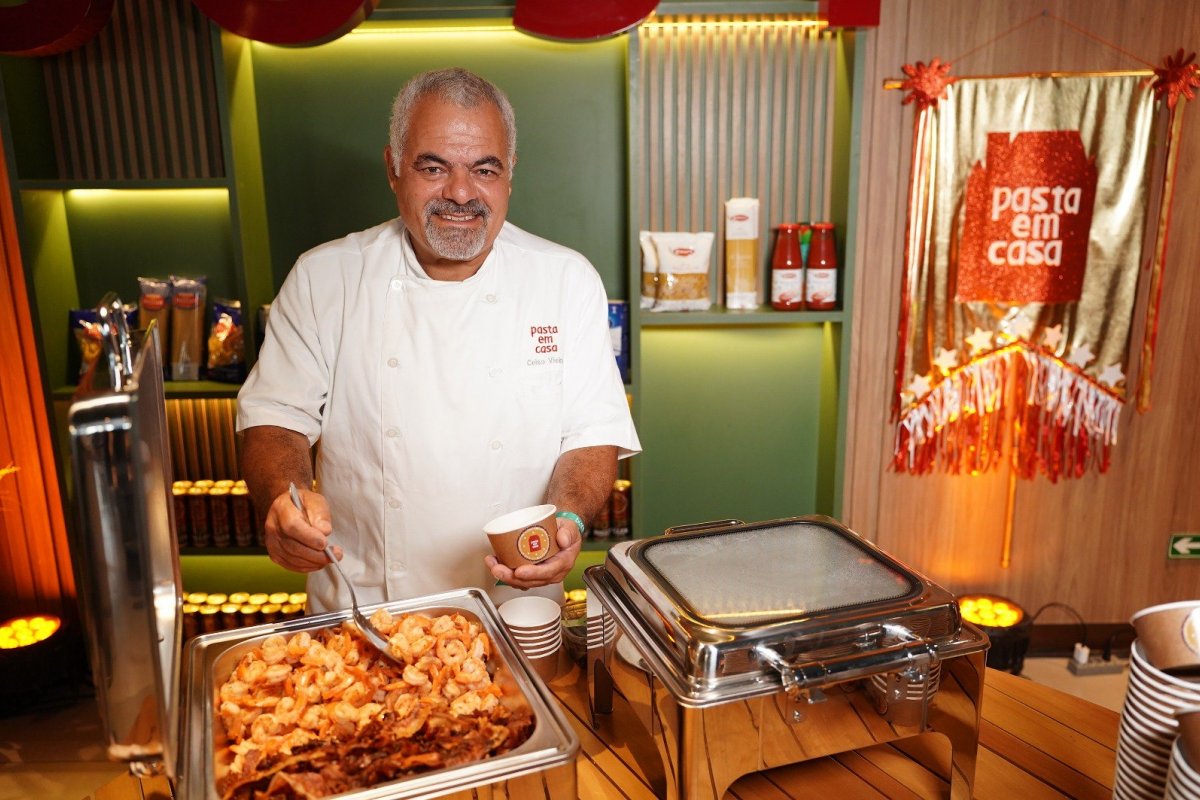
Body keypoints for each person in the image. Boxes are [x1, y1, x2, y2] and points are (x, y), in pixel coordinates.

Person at [236, 67, 640, 615]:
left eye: (484, 169)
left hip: (517, 605)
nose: (460, 193)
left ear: (509, 174)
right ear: (393, 169)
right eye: (433, 167)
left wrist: (567, 520)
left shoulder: (565, 279)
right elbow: (275, 419)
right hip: (367, 613)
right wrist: (285, 499)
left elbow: (593, 434)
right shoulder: (324, 278)